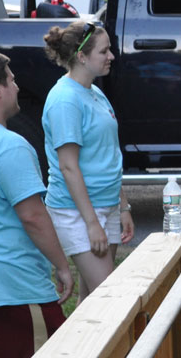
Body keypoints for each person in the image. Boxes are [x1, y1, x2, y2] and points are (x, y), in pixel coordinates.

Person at [42, 21, 134, 301]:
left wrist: (123, 206)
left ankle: (81, 347)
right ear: (81, 56)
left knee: (92, 302)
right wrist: (92, 224)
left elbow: (107, 155)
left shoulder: (94, 92)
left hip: (104, 207)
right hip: (78, 213)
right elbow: (69, 167)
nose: (112, 57)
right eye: (104, 51)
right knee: (110, 300)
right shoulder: (65, 101)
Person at [0, 53, 74, 357]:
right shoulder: (10, 146)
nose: (17, 87)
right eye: (12, 80)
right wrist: (63, 266)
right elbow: (32, 216)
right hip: (15, 290)